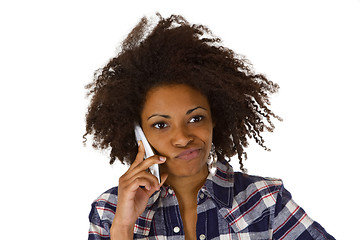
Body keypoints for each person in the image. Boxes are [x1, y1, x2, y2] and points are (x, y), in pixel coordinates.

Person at [85, 14, 335, 240]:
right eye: (161, 124)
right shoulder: (109, 211)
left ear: (215, 116)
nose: (182, 138)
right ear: (139, 134)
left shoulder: (265, 201)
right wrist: (123, 228)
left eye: (195, 118)